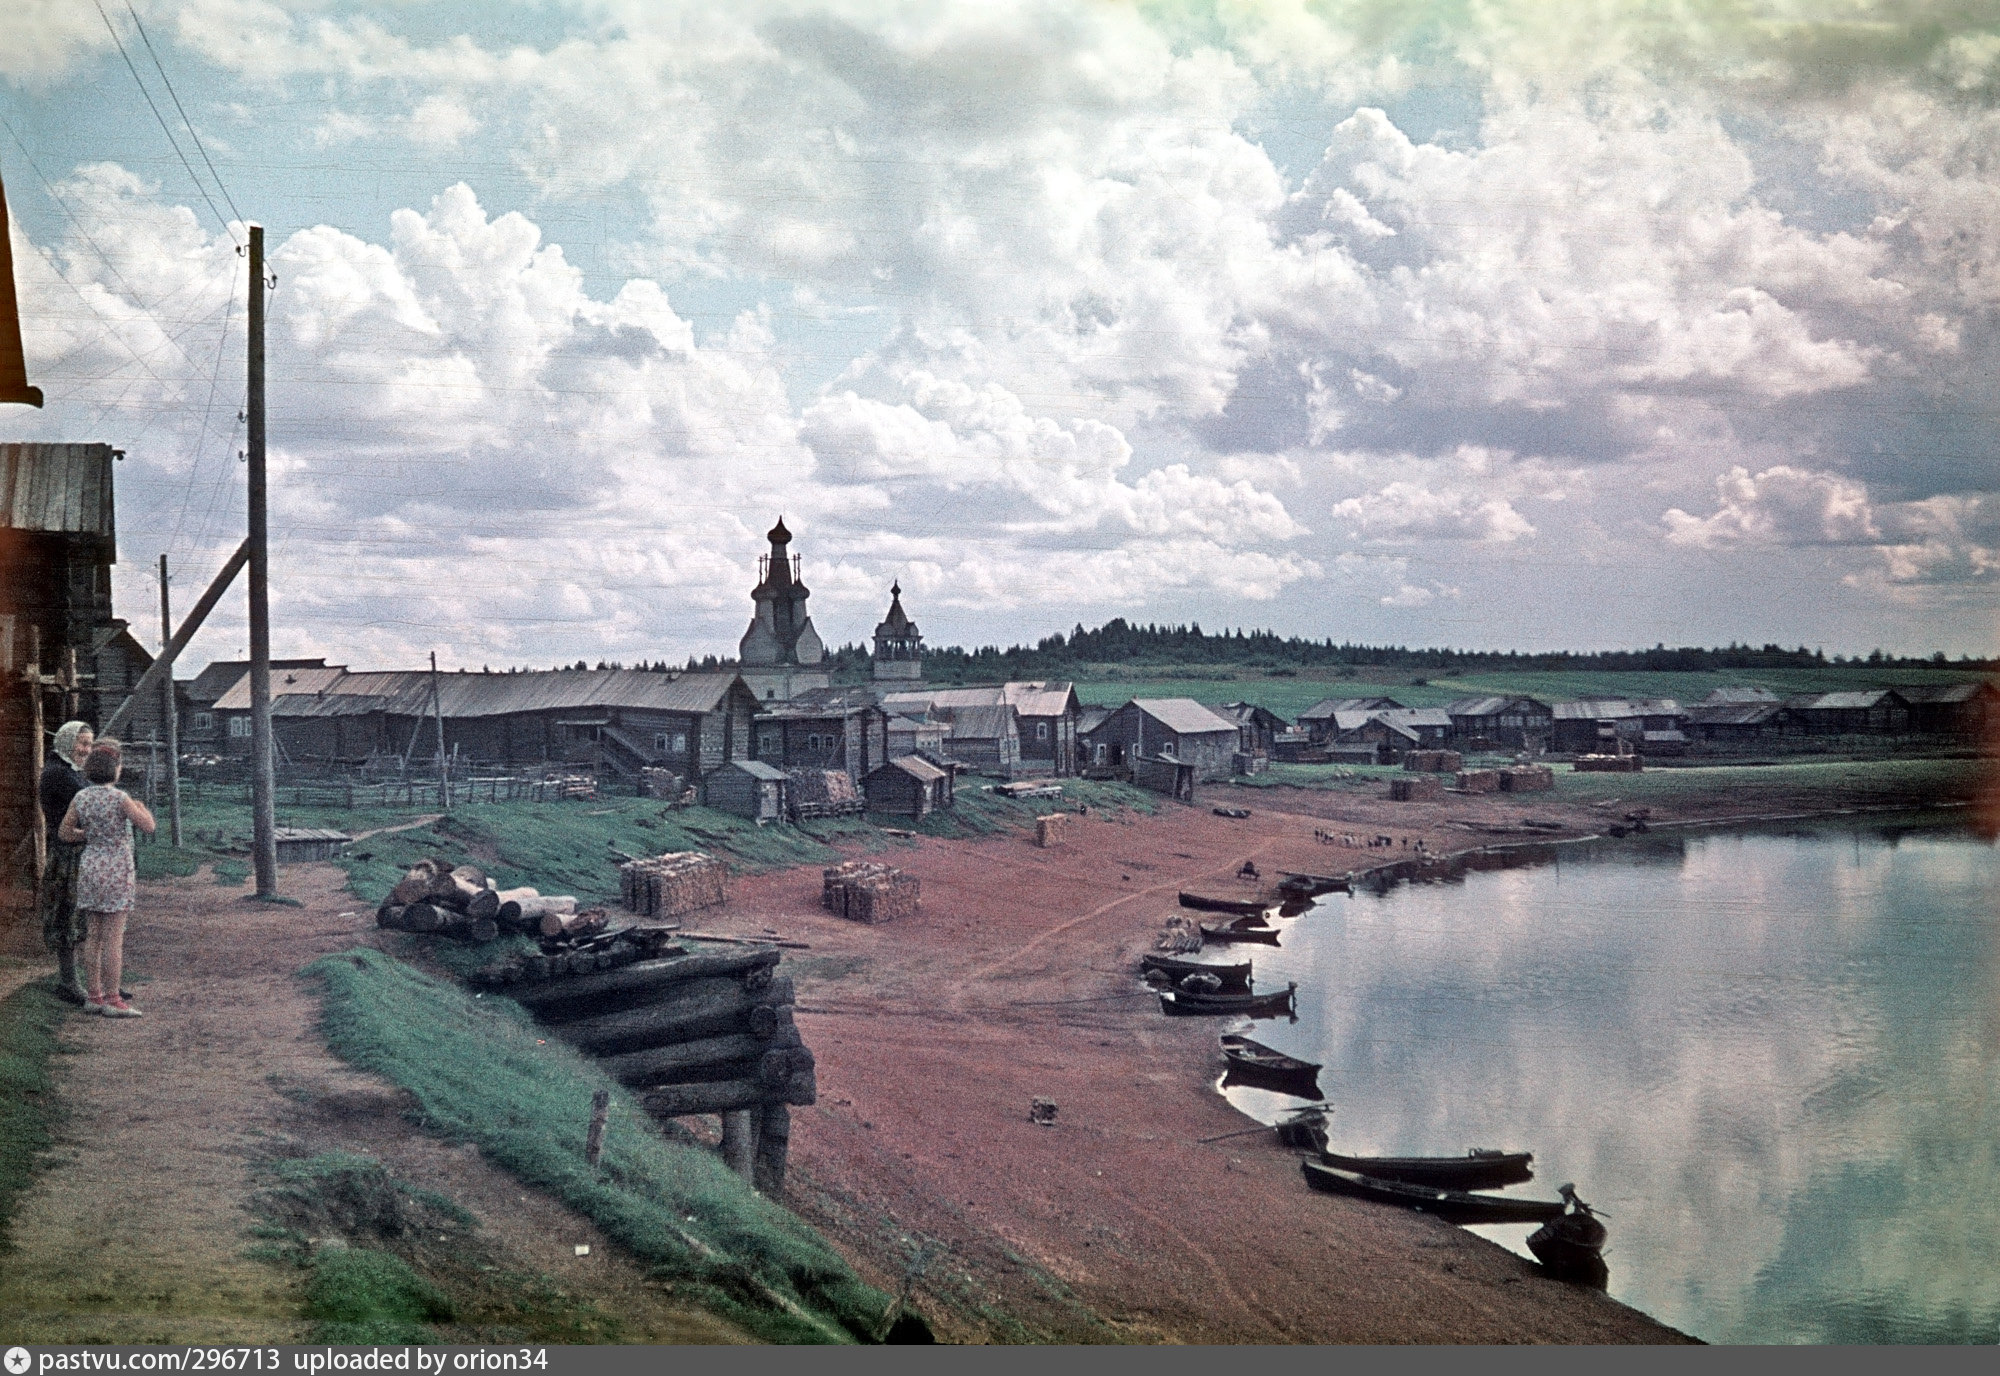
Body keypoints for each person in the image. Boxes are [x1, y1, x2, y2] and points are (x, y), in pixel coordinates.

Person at [59, 740, 155, 1018]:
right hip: (117, 868)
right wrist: (141, 806)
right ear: (116, 769)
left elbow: (65, 833)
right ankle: (113, 999)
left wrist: (87, 834)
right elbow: (148, 826)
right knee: (114, 937)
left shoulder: (81, 798)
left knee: (94, 936)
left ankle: (94, 996)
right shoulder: (120, 798)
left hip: (91, 867)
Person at [38, 720, 93, 1004]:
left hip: (77, 851)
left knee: (78, 916)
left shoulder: (71, 772)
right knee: (67, 915)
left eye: (89, 744)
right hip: (66, 853)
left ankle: (89, 981)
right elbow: (86, 806)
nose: (85, 749)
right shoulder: (58, 774)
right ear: (66, 741)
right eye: (81, 743)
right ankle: (68, 982)